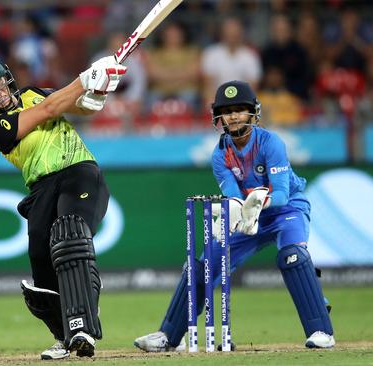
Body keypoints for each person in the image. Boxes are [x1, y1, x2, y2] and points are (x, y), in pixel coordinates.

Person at [134, 80, 335, 352]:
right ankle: (170, 336)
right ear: (218, 116)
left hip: (286, 210)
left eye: (240, 109)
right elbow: (232, 195)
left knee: (292, 256)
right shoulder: (220, 154)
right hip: (248, 213)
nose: (234, 115)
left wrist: (258, 201)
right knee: (204, 264)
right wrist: (231, 212)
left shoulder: (271, 142)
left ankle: (321, 330)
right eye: (227, 111)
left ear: (253, 113)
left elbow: (282, 195)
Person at [0, 54, 126, 359]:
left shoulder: (35, 93)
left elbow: (83, 106)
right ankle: (65, 336)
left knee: (70, 234)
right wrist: (84, 77)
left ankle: (83, 324)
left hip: (79, 172)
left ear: (7, 77)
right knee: (41, 262)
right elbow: (51, 108)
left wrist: (100, 87)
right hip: (41, 189)